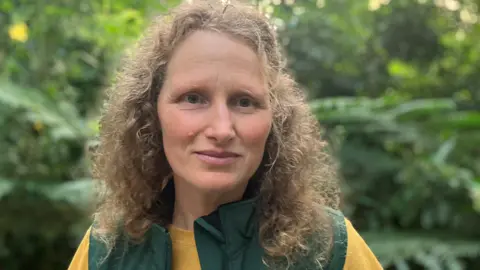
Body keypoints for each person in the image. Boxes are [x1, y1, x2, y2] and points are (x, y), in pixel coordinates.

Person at [68, 1, 383, 269]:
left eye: (244, 102)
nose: (221, 129)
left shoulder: (326, 250)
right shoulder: (107, 252)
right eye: (193, 98)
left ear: (276, 120)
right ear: (152, 113)